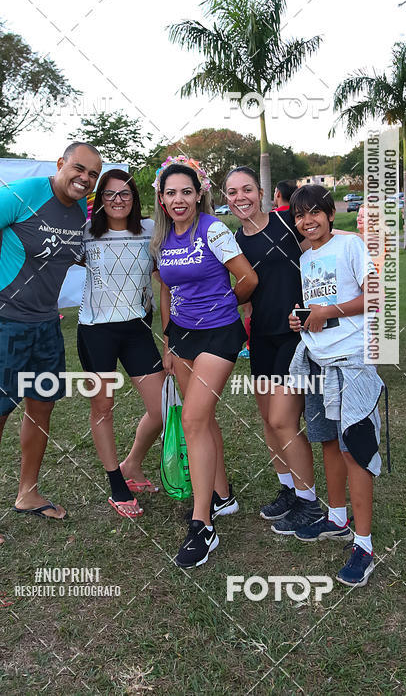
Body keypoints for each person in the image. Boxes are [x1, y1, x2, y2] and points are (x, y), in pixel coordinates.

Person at [0, 142, 102, 545]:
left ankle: (27, 493)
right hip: (2, 323)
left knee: (40, 411)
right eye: (79, 168)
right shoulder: (20, 194)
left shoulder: (81, 213)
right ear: (61, 164)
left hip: (46, 327)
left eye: (93, 174)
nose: (85, 178)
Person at [152, 156, 258, 568]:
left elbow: (248, 278)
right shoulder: (162, 241)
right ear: (161, 200)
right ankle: (222, 496)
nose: (179, 200)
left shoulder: (213, 230)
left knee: (194, 419)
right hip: (182, 337)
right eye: (171, 193)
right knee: (205, 419)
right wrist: (168, 340)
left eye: (186, 192)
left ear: (199, 196)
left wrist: (223, 305)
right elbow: (164, 290)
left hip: (219, 334)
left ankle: (203, 526)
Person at [288, 184, 383, 588]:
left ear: (329, 213)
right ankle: (337, 518)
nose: (307, 221)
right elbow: (319, 307)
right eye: (300, 215)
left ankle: (364, 545)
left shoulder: (351, 245)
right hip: (319, 361)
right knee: (327, 440)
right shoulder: (306, 255)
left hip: (352, 363)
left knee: (354, 448)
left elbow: (375, 294)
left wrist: (331, 310)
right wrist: (303, 317)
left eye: (314, 213)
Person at [225, 167, 319, 528]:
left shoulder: (287, 224)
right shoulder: (234, 241)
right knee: (268, 419)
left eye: (246, 189)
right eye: (232, 192)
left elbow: (322, 245)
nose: (240, 197)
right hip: (260, 335)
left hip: (296, 336)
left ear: (261, 192)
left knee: (283, 420)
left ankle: (309, 502)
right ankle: (288, 490)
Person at [77, 169, 166, 518]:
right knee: (103, 407)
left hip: (137, 330)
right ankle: (116, 482)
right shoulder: (85, 235)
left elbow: (165, 274)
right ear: (100, 200)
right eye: (110, 194)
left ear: (134, 199)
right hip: (96, 330)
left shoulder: (150, 232)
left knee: (162, 409)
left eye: (125, 194)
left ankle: (132, 464)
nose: (118, 200)